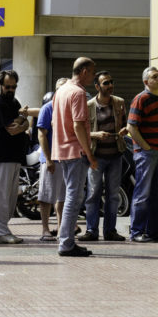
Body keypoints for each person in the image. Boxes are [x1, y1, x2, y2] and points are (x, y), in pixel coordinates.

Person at [51, 58, 99, 257]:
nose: (94, 76)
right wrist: (89, 153)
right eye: (93, 72)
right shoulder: (78, 93)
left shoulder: (60, 91)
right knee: (74, 197)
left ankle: (66, 241)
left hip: (62, 150)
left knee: (72, 196)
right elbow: (79, 125)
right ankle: (66, 243)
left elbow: (55, 122)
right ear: (85, 71)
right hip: (75, 151)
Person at [81, 70, 128, 242]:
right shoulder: (88, 106)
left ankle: (110, 230)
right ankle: (91, 230)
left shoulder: (120, 103)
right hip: (96, 156)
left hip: (115, 155)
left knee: (113, 195)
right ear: (97, 86)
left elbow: (125, 124)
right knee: (93, 193)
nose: (110, 85)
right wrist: (96, 135)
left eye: (111, 82)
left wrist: (124, 130)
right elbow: (81, 131)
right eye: (106, 83)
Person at [0, 69, 30, 245]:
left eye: (14, 87)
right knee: (1, 196)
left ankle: (0, 230)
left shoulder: (12, 101)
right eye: (8, 86)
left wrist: (21, 123)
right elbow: (12, 128)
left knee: (10, 198)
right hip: (0, 156)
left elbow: (23, 122)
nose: (11, 89)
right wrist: (21, 122)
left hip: (14, 155)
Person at [127, 67, 158, 243]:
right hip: (147, 153)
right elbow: (132, 126)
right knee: (142, 193)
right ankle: (137, 231)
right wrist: (146, 146)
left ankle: (153, 231)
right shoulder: (141, 99)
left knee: (156, 194)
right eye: (155, 76)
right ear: (146, 82)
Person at [36, 79, 68, 241]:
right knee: (47, 195)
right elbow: (41, 134)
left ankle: (62, 227)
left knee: (62, 196)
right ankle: (45, 229)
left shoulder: (69, 107)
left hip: (67, 159)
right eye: (60, 89)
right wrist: (48, 159)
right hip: (51, 159)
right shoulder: (48, 108)